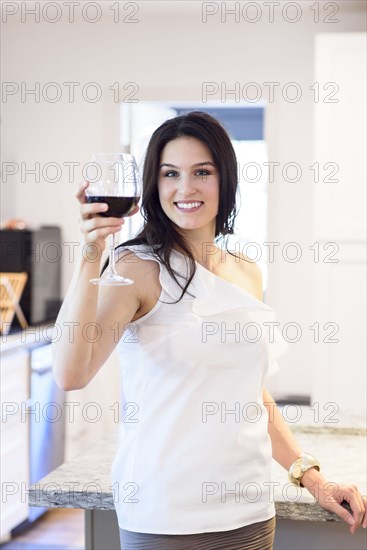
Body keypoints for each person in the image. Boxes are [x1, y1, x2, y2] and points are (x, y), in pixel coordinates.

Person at [54, 112, 366, 550]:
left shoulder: (247, 272)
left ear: (226, 179)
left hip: (249, 511)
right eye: (170, 174)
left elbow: (250, 394)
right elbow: (72, 373)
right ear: (152, 186)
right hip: (165, 514)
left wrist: (314, 479)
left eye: (202, 171)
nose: (186, 188)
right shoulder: (136, 268)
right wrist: (91, 252)